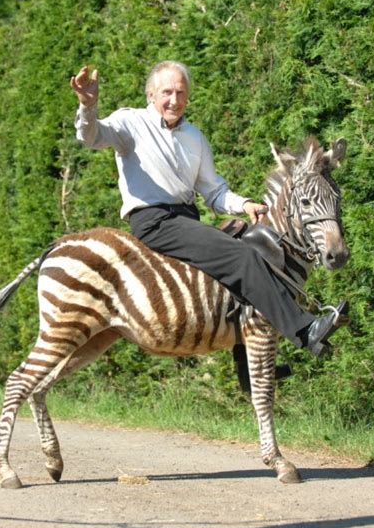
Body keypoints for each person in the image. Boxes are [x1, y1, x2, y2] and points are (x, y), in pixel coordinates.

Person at [70, 60, 347, 357]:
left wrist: (244, 204)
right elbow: (91, 136)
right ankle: (305, 331)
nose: (174, 100)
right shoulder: (130, 122)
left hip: (187, 219)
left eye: (180, 92)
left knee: (244, 256)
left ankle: (248, 365)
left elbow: (214, 191)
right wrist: (88, 105)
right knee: (244, 257)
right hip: (154, 221)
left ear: (188, 96)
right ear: (151, 94)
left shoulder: (195, 138)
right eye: (166, 92)